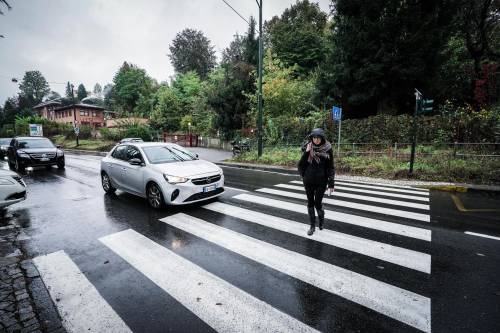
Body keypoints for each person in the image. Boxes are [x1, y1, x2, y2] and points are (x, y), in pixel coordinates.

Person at [297, 128, 335, 236]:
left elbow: (330, 167)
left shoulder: (327, 148)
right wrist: (307, 152)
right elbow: (301, 164)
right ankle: (312, 226)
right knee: (310, 203)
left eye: (318, 138)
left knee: (318, 203)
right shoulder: (307, 147)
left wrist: (331, 183)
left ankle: (321, 218)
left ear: (322, 138)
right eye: (314, 137)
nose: (316, 140)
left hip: (321, 181)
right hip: (308, 180)